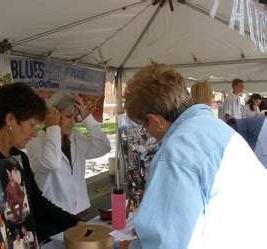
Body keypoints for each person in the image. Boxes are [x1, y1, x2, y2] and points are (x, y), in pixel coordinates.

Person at [120, 64, 267, 249]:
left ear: (155, 121)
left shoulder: (175, 152)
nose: (146, 132)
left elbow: (167, 243)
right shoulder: (216, 127)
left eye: (144, 125)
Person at [0, 82, 83, 244]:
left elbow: (36, 202)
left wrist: (75, 222)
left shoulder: (19, 157)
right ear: (10, 120)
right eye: (31, 125)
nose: (35, 133)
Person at [26, 91, 111, 216]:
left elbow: (104, 147)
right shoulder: (36, 140)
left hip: (79, 211)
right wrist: (53, 127)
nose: (73, 123)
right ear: (54, 113)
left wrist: (87, 118)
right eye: (68, 116)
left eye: (75, 117)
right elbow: (52, 164)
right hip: (53, 215)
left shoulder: (75, 138)